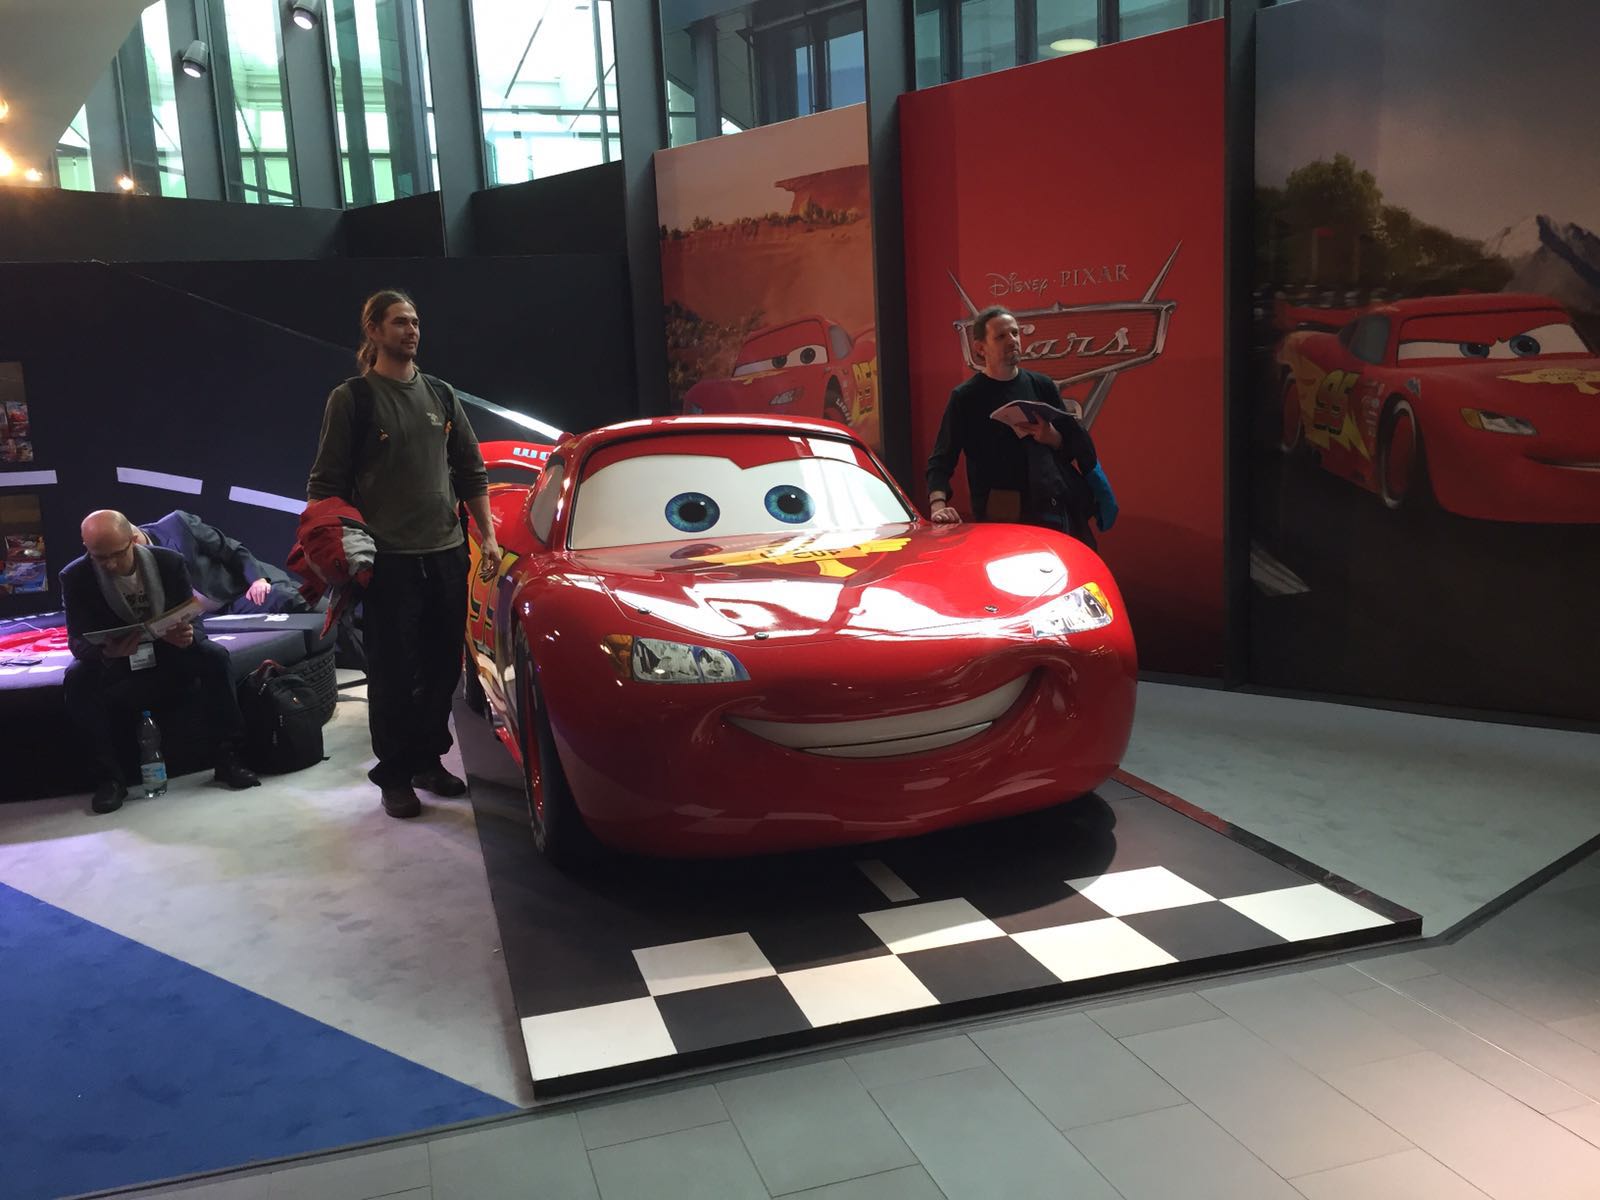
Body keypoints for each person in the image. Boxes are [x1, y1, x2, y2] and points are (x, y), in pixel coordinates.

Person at [306, 289, 499, 819]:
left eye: (414, 322)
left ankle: (427, 762)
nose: (411, 330)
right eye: (398, 322)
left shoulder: (441, 393)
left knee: (442, 669)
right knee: (392, 675)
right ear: (373, 330)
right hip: (387, 560)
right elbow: (324, 485)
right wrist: (336, 547)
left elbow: (471, 470)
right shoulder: (352, 399)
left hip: (447, 553)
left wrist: (487, 535)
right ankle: (394, 776)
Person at [61, 510, 261, 815]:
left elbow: (195, 622)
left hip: (169, 651)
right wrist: (107, 652)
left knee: (215, 657)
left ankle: (229, 758)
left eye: (117, 554)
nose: (110, 564)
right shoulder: (75, 576)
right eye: (100, 557)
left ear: (133, 540)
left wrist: (188, 636)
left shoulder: (168, 562)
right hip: (116, 661)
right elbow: (77, 642)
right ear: (86, 547)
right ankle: (109, 780)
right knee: (77, 679)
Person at [925, 306, 1118, 547]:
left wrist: (1053, 437)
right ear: (980, 348)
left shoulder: (1042, 385)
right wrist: (938, 505)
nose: (1012, 340)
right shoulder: (966, 397)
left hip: (1053, 503)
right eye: (1001, 336)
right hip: (1001, 511)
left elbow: (1075, 445)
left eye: (1015, 333)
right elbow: (942, 458)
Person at [136, 510, 311, 615]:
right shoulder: (127, 567)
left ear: (133, 539)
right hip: (202, 620)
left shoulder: (176, 525)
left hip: (234, 595)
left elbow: (232, 550)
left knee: (284, 598)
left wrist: (257, 580)